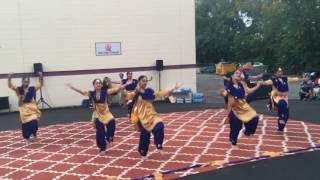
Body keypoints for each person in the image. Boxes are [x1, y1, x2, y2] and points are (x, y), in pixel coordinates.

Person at [67, 79, 130, 155]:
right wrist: (73, 88)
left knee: (112, 122)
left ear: (101, 85)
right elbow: (82, 92)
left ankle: (109, 138)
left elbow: (116, 89)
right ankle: (102, 148)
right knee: (100, 131)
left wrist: (126, 84)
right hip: (97, 115)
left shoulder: (105, 92)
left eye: (100, 83)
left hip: (106, 113)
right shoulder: (91, 93)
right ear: (94, 85)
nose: (98, 84)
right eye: (96, 83)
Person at [127, 75, 183, 156]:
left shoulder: (149, 91)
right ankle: (143, 152)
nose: (145, 82)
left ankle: (159, 145)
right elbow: (127, 96)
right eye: (143, 80)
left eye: (146, 81)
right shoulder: (135, 92)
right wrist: (125, 86)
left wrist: (174, 87)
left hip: (152, 115)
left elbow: (160, 93)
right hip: (142, 117)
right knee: (145, 135)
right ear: (139, 82)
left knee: (160, 126)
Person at [219, 69, 261, 148]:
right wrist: (222, 93)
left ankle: (248, 133)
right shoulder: (229, 86)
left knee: (255, 118)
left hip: (244, 106)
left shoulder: (241, 84)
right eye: (236, 73)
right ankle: (233, 142)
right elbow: (224, 92)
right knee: (236, 126)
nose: (239, 74)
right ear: (232, 76)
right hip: (235, 109)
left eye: (239, 73)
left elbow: (248, 91)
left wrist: (257, 86)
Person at [262, 68, 306, 132]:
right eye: (278, 72)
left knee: (286, 115)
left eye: (281, 71)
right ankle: (274, 108)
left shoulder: (285, 79)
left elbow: (294, 79)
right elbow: (266, 83)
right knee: (282, 106)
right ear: (275, 73)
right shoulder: (273, 80)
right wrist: (260, 82)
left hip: (285, 98)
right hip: (277, 97)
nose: (280, 73)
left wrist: (303, 79)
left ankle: (280, 127)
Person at [8, 72, 43, 143]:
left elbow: (40, 84)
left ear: (29, 82)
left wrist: (40, 76)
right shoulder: (18, 89)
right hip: (23, 109)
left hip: (32, 108)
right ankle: (27, 138)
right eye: (25, 81)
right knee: (26, 125)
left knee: (34, 123)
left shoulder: (32, 88)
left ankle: (35, 136)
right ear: (22, 81)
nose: (26, 83)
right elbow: (10, 86)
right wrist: (9, 78)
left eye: (27, 81)